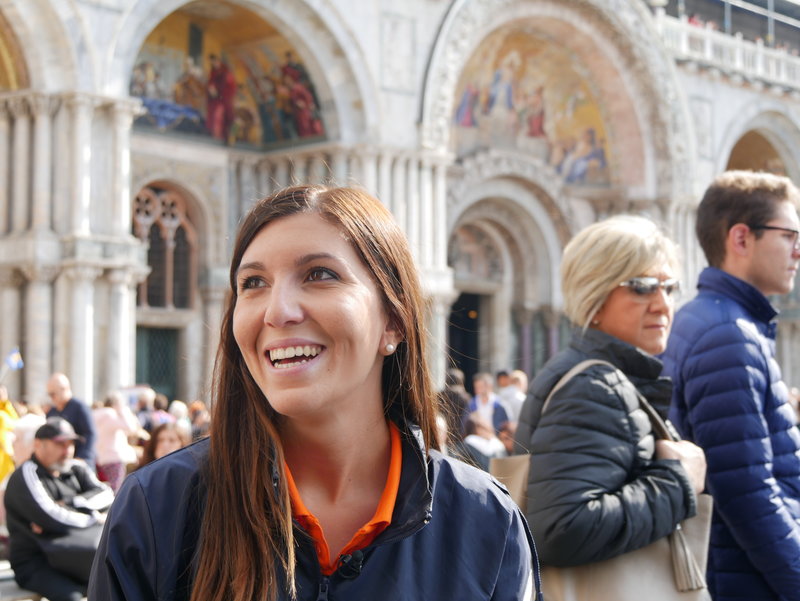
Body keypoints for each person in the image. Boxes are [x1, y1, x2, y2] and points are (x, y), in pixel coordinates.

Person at [90, 185, 535, 601]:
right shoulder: (157, 507)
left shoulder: (485, 521)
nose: (277, 311)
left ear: (394, 323)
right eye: (253, 283)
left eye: (319, 274)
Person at [514, 215, 706, 569]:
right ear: (595, 297)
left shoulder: (594, 373)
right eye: (642, 286)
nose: (663, 304)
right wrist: (678, 480)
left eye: (669, 287)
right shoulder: (592, 386)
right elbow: (563, 529)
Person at [662, 170, 800, 601]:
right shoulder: (728, 334)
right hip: (744, 581)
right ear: (741, 239)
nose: (798, 251)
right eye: (789, 236)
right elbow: (747, 493)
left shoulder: (717, 320)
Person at [5, 417, 113, 601]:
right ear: (38, 444)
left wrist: (72, 503)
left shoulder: (76, 467)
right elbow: (51, 516)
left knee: (109, 586)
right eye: (60, 444)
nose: (67, 450)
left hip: (76, 556)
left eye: (70, 444)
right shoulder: (26, 474)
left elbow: (108, 495)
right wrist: (94, 518)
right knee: (70, 596)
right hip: (37, 562)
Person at [46, 373, 97, 470]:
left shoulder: (79, 407)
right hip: (59, 463)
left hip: (80, 462)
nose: (51, 398)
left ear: (64, 389)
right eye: (49, 395)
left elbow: (90, 433)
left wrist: (82, 458)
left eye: (53, 394)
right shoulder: (52, 412)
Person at [92, 392, 140, 494]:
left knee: (105, 489)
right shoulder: (111, 415)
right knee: (116, 491)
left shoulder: (97, 414)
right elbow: (131, 427)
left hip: (100, 457)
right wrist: (123, 410)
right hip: (114, 457)